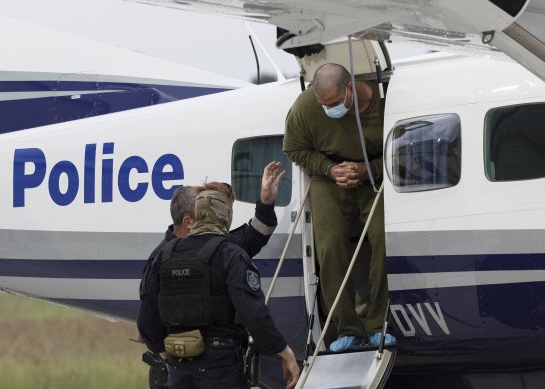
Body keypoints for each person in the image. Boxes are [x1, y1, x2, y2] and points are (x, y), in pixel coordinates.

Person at [137, 182, 300, 389]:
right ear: (225, 217)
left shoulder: (163, 256)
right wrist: (283, 351)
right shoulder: (230, 255)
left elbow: (146, 319)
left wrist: (165, 353)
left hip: (178, 369)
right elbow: (254, 313)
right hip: (221, 367)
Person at [283, 63, 394, 352]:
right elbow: (295, 149)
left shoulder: (386, 102)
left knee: (384, 239)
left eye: (333, 103)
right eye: (322, 104)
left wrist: (367, 168)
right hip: (329, 177)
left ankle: (378, 324)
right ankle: (346, 327)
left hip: (376, 174)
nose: (327, 109)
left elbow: (403, 150)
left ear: (350, 88)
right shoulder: (305, 107)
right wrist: (330, 169)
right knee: (329, 246)